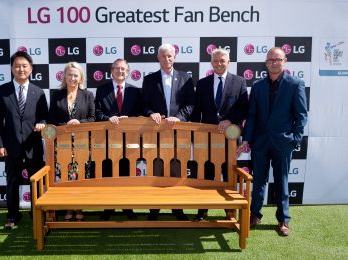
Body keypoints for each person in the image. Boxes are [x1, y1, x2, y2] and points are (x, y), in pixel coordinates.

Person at [236, 47, 308, 236]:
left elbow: (301, 116)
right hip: (260, 143)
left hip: (283, 143)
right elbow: (252, 116)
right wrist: (247, 140)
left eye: (278, 59)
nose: (274, 63)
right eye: (271, 60)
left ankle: (283, 220)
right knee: (259, 181)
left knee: (281, 181)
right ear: (266, 63)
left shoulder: (295, 84)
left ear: (285, 61)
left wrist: (295, 139)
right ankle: (255, 215)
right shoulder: (258, 86)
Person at [0, 51, 48, 230]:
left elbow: (45, 117)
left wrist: (42, 123)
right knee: (12, 182)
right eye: (17, 66)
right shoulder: (2, 91)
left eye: (24, 66)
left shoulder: (38, 92)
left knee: (36, 182)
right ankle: (13, 216)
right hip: (11, 146)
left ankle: (36, 213)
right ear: (11, 68)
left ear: (31, 69)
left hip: (33, 145)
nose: (21, 69)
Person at [192, 48, 249, 221]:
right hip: (207, 139)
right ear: (211, 62)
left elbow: (244, 109)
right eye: (215, 61)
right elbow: (196, 113)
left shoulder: (239, 82)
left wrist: (230, 119)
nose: (219, 63)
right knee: (206, 174)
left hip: (230, 139)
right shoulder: (202, 84)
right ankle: (202, 211)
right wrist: (195, 137)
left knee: (228, 174)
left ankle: (229, 211)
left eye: (222, 60)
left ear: (228, 62)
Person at [142, 43, 195, 221]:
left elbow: (190, 104)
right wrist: (151, 113)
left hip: (178, 132)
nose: (167, 59)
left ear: (175, 57)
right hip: (156, 133)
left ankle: (177, 207)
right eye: (163, 56)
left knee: (177, 170)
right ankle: (154, 209)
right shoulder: (149, 80)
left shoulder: (186, 78)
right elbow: (144, 105)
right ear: (158, 58)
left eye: (170, 56)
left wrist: (179, 117)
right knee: (156, 169)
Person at [95, 58, 142, 220]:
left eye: (123, 69)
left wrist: (130, 119)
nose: (120, 71)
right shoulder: (101, 90)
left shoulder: (135, 91)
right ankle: (108, 207)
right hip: (107, 140)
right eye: (117, 68)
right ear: (111, 71)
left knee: (126, 173)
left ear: (127, 72)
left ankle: (127, 206)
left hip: (129, 140)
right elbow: (97, 113)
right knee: (108, 173)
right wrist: (109, 118)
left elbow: (139, 114)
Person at [48, 61, 95, 221]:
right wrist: (66, 125)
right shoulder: (56, 95)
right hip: (62, 144)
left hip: (82, 143)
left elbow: (92, 118)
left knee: (80, 176)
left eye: (76, 75)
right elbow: (51, 119)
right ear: (65, 76)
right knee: (66, 177)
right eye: (70, 75)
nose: (73, 78)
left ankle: (79, 207)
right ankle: (69, 207)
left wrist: (79, 123)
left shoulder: (88, 95)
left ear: (80, 77)